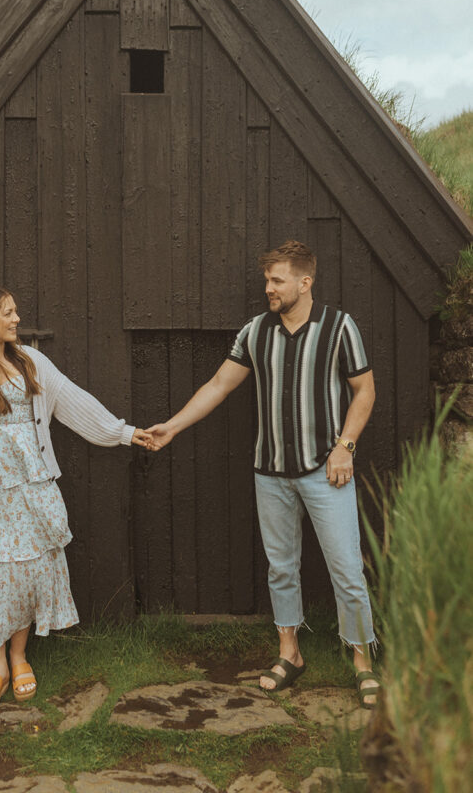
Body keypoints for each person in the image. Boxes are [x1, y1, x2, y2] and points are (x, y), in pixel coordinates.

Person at [145, 240, 381, 708]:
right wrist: (171, 427)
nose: (268, 288)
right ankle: (289, 654)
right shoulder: (255, 331)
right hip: (270, 472)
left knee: (347, 569)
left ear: (304, 282)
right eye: (267, 280)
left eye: (277, 280)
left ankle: (362, 661)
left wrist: (344, 448)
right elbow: (218, 385)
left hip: (325, 471)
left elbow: (365, 390)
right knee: (281, 568)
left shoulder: (339, 327)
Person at [0, 284, 150, 708]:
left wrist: (124, 433)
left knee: (26, 576)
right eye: (8, 313)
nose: (16, 320)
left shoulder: (32, 362)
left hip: (31, 488)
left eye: (16, 312)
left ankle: (19, 657)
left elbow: (74, 403)